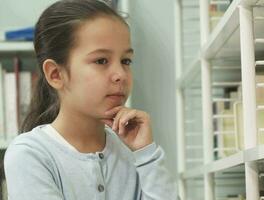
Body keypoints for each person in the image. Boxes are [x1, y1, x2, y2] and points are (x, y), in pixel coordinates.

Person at [4, 0, 178, 199]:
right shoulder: (29, 154)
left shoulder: (135, 152)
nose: (120, 74)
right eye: (101, 61)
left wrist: (146, 154)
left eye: (126, 61)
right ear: (55, 74)